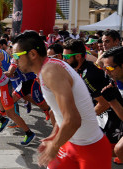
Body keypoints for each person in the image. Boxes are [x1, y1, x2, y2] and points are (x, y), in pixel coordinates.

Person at [13, 31, 111, 168]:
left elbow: (73, 119)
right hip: (70, 143)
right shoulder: (48, 68)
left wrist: (54, 145)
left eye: (16, 55)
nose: (14, 60)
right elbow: (61, 112)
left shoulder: (51, 71)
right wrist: (54, 136)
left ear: (33, 54)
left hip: (92, 149)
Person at [63, 39, 123, 163]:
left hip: (113, 113)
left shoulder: (88, 75)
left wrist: (82, 118)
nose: (106, 73)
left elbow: (104, 104)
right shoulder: (82, 70)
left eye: (66, 56)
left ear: (78, 56)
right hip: (111, 109)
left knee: (113, 150)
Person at [102, 46, 123, 164]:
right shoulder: (117, 77)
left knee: (119, 149)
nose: (106, 72)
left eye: (109, 68)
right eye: (104, 68)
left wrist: (112, 101)